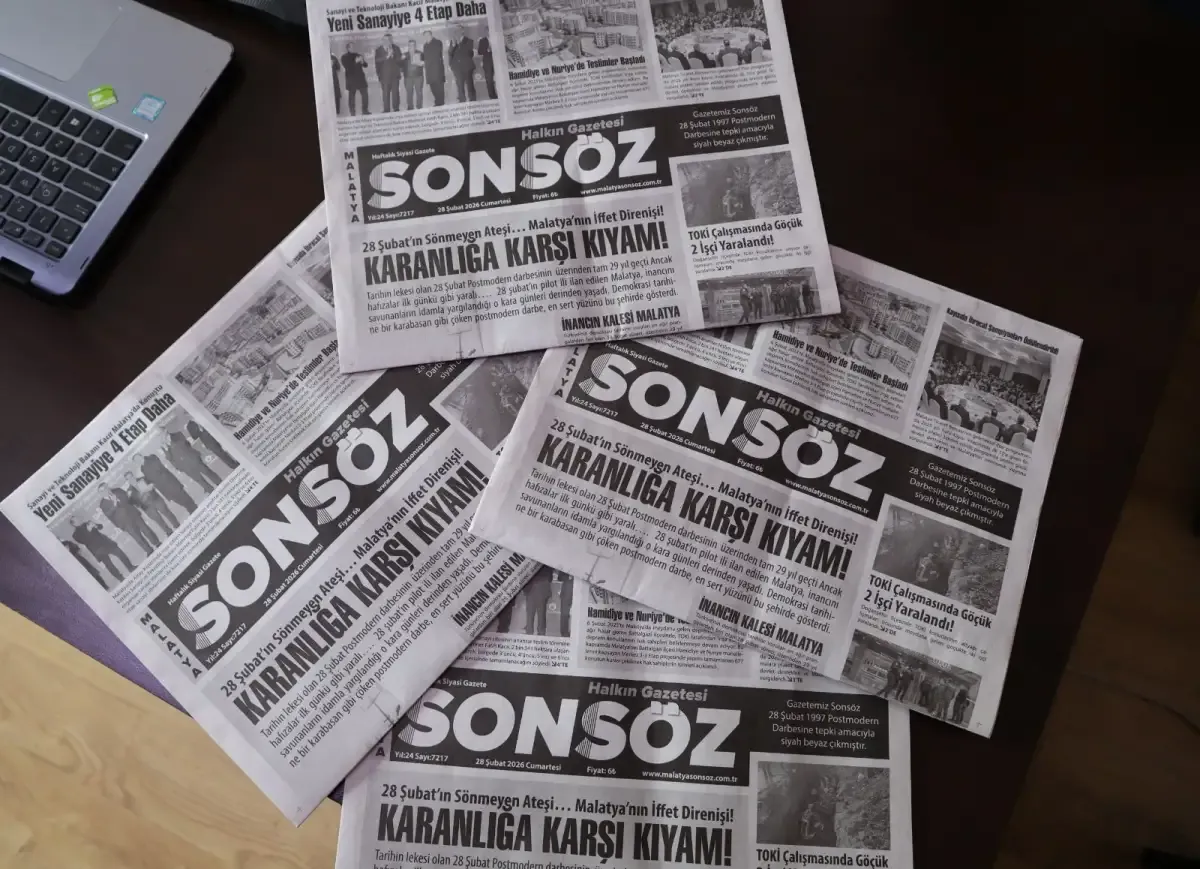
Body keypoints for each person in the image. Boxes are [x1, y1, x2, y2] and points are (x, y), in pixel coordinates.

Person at [97, 482, 159, 556]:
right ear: (101, 493)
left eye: (106, 487)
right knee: (138, 537)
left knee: (146, 530)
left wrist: (119, 498)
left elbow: (127, 498)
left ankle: (156, 543)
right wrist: (114, 503)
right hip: (125, 523)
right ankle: (149, 550)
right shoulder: (103, 504)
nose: (106, 490)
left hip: (133, 514)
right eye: (103, 490)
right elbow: (109, 514)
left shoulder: (118, 490)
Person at [70, 516, 133, 587]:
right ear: (74, 524)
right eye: (76, 520)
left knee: (120, 553)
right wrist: (89, 529)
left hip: (106, 543)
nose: (79, 519)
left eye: (78, 518)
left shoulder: (87, 523)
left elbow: (101, 526)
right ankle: (120, 578)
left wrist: (96, 525)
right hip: (97, 550)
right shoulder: (75, 535)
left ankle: (131, 567)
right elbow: (85, 541)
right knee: (109, 564)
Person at [123, 470, 178, 536]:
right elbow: (135, 504)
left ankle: (176, 524)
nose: (131, 479)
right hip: (147, 508)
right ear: (127, 481)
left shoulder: (142, 479)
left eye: (131, 477)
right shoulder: (129, 491)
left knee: (167, 512)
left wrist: (150, 486)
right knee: (158, 520)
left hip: (156, 499)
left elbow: (153, 483)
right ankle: (168, 531)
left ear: (133, 475)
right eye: (128, 479)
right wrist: (131, 497)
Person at [374, 33, 402, 112]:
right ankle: (386, 109)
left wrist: (393, 56)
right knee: (385, 94)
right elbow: (377, 60)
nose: (388, 41)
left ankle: (396, 108)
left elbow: (399, 60)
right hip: (384, 76)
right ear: (382, 40)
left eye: (389, 39)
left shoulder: (396, 48)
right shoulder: (378, 50)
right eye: (385, 40)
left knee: (395, 93)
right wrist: (387, 56)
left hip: (395, 75)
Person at [448, 25, 476, 103]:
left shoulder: (469, 41)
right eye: (455, 30)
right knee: (459, 85)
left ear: (462, 31)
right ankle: (461, 99)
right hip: (457, 67)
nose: (456, 32)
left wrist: (459, 43)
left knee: (470, 84)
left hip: (467, 67)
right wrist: (453, 45)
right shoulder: (453, 41)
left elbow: (469, 53)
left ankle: (473, 99)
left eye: (458, 30)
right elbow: (450, 53)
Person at [340, 42, 369, 115]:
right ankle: (352, 112)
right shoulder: (344, 57)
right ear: (348, 48)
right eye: (352, 47)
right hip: (351, 79)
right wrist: (356, 61)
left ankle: (365, 110)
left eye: (354, 47)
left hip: (360, 79)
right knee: (352, 97)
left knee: (365, 95)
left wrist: (362, 61)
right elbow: (348, 67)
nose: (353, 48)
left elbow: (366, 65)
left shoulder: (358, 55)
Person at [523, 567, 553, 635]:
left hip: (533, 588)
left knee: (530, 612)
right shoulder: (547, 564)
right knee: (541, 613)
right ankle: (540, 631)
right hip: (540, 588)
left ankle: (530, 631)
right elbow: (550, 578)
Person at [422, 30, 446, 107]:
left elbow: (435, 55)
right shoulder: (425, 45)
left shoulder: (437, 42)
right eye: (425, 36)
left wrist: (424, 62)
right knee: (433, 88)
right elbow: (425, 57)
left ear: (431, 35)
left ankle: (441, 103)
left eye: (428, 35)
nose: (427, 37)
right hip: (429, 71)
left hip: (437, 70)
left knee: (439, 88)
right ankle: (437, 102)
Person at [402, 39, 425, 109]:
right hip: (408, 77)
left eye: (413, 45)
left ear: (415, 46)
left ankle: (419, 107)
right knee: (409, 93)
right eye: (410, 45)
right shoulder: (404, 55)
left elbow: (425, 63)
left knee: (419, 93)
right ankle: (410, 107)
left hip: (418, 76)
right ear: (408, 46)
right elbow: (399, 65)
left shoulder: (420, 53)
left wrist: (422, 63)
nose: (411, 47)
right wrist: (401, 59)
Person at [477, 35, 496, 99]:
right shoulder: (482, 40)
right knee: (489, 79)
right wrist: (487, 50)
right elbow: (479, 52)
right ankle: (492, 96)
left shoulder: (497, 38)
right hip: (488, 62)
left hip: (497, 60)